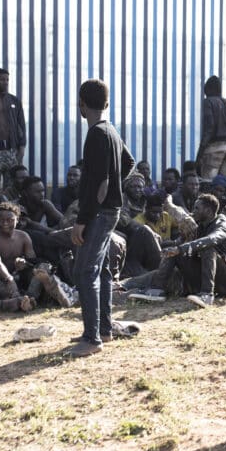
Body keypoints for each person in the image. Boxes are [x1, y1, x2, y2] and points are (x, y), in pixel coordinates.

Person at [70, 79, 135, 357]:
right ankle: (105, 329)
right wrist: (113, 191)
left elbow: (96, 180)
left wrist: (83, 218)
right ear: (107, 104)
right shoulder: (112, 131)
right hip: (111, 211)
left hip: (98, 213)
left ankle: (92, 338)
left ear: (81, 105)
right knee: (103, 270)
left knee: (85, 271)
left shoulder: (95, 134)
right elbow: (129, 163)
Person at [126, 193, 226, 307]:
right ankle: (156, 291)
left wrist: (181, 248)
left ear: (208, 211)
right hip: (202, 277)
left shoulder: (222, 223)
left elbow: (212, 239)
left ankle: (207, 295)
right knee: (173, 252)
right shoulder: (198, 224)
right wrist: (171, 247)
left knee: (207, 248)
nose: (193, 211)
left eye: (197, 208)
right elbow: (178, 244)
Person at [0, 202, 41, 305]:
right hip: (0, 278)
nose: (5, 223)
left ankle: (29, 297)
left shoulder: (24, 236)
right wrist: (9, 279)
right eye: (1, 220)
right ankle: (17, 300)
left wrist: (24, 263)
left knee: (42, 270)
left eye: (10, 220)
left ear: (17, 220)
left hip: (18, 275)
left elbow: (32, 261)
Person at [196, 75, 226, 179]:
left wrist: (200, 154)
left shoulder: (208, 102)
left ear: (208, 89)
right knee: (223, 184)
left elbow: (209, 128)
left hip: (213, 149)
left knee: (208, 183)